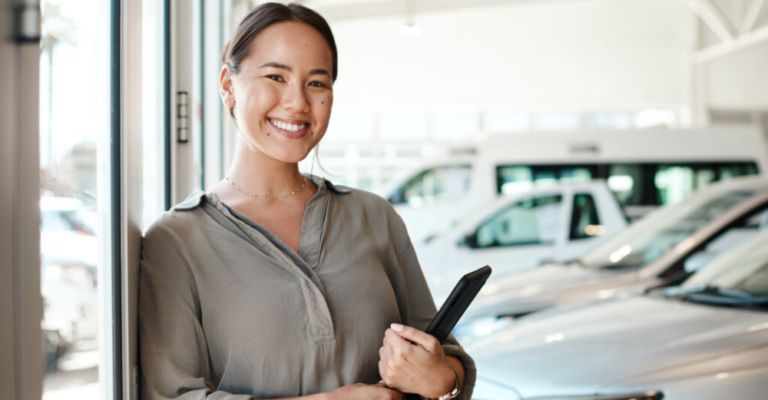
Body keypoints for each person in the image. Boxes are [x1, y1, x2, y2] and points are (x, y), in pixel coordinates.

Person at [138, 3, 476, 400]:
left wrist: (442, 381)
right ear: (228, 85)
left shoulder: (374, 216)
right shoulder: (177, 241)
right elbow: (171, 395)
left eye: (317, 83)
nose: (297, 102)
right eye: (275, 76)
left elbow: (447, 357)